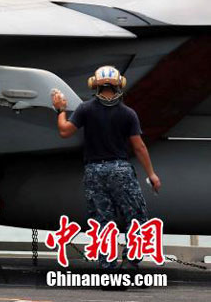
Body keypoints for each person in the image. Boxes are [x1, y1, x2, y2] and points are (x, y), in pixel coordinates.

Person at [52, 66, 161, 282]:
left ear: (95, 84)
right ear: (120, 84)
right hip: (120, 170)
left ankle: (108, 272)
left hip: (93, 171)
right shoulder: (128, 113)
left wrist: (60, 109)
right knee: (137, 217)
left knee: (102, 221)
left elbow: (64, 131)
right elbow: (139, 147)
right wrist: (151, 174)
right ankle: (130, 263)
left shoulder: (85, 109)